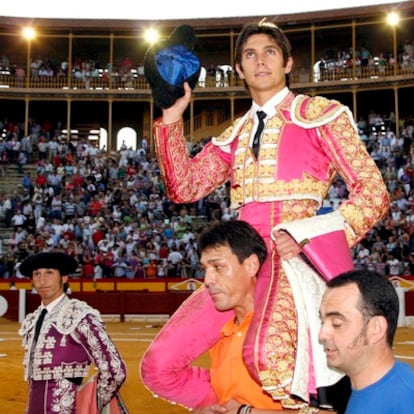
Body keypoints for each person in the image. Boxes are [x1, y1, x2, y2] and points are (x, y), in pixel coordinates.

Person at [141, 19, 389, 411]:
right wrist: (172, 115)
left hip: (293, 257)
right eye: (250, 55)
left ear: (288, 63)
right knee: (158, 365)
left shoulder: (321, 115)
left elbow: (373, 193)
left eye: (270, 52)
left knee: (270, 357)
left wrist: (310, 236)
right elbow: (185, 187)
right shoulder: (234, 133)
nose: (260, 62)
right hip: (239, 258)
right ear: (238, 69)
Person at [144, 220, 334, 413]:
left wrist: (245, 412)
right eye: (205, 270)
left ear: (251, 266)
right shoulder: (223, 334)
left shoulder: (292, 328)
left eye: (218, 267)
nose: (208, 280)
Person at [18, 250, 127, 413]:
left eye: (49, 273)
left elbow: (115, 370)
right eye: (37, 274)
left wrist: (88, 403)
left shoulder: (78, 315)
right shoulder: (33, 319)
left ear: (64, 278)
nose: (42, 280)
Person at [319, 269, 414, 413]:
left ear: (376, 328)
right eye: (322, 322)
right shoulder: (364, 387)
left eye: (337, 323)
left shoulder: (404, 401)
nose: (322, 335)